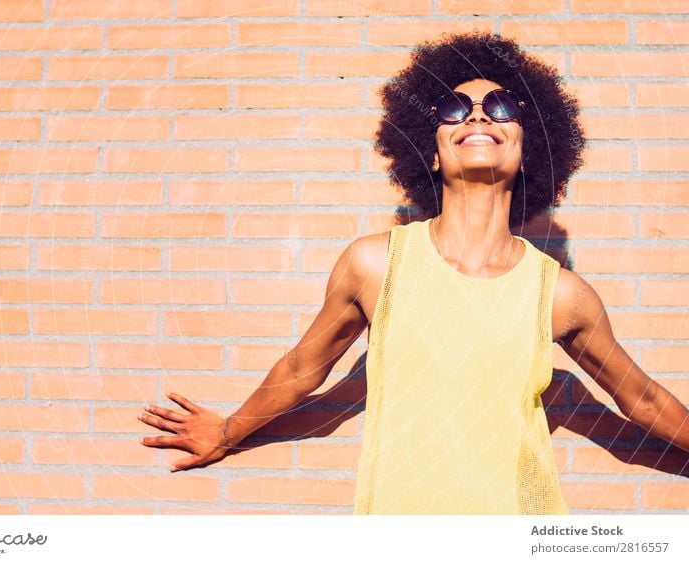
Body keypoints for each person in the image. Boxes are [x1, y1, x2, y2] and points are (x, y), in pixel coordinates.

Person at [137, 32, 689, 514]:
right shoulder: (376, 263)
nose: (476, 116)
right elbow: (304, 367)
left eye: (500, 108)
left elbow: (640, 397)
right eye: (454, 110)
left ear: (528, 150)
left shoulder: (560, 294)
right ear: (430, 153)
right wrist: (230, 431)